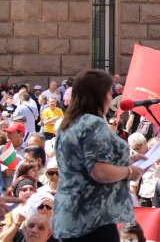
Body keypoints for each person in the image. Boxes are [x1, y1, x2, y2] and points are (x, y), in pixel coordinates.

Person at [52, 69, 145, 241]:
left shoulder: (67, 124)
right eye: (109, 93)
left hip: (69, 216)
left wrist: (125, 161)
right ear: (99, 95)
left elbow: (82, 165)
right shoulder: (92, 123)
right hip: (92, 220)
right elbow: (98, 171)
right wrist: (129, 171)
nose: (111, 98)